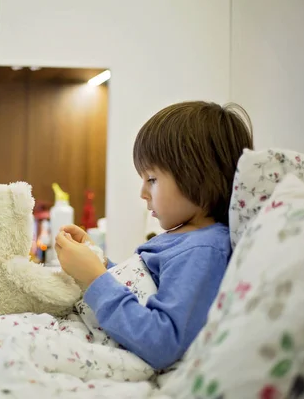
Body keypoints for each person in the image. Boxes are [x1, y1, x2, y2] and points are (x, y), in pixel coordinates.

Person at [54, 101, 254, 370]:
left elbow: (162, 342)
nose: (142, 192)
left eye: (152, 179)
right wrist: (100, 263)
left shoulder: (203, 250)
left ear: (198, 177)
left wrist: (95, 279)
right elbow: (142, 293)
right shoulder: (182, 238)